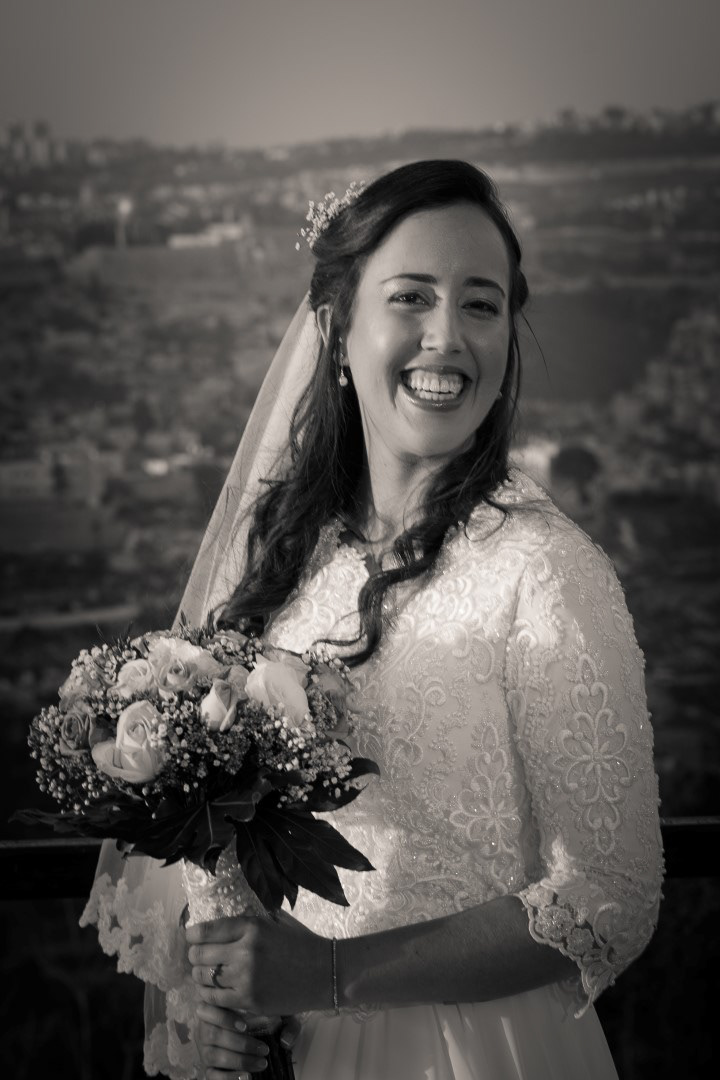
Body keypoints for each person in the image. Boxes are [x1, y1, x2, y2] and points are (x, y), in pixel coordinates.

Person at [82, 160, 664, 1080]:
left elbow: (612, 897)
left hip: (478, 1052)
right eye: (411, 298)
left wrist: (335, 973)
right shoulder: (289, 555)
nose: (448, 336)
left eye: (481, 304)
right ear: (335, 328)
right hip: (304, 1046)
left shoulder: (546, 570)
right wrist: (225, 1005)